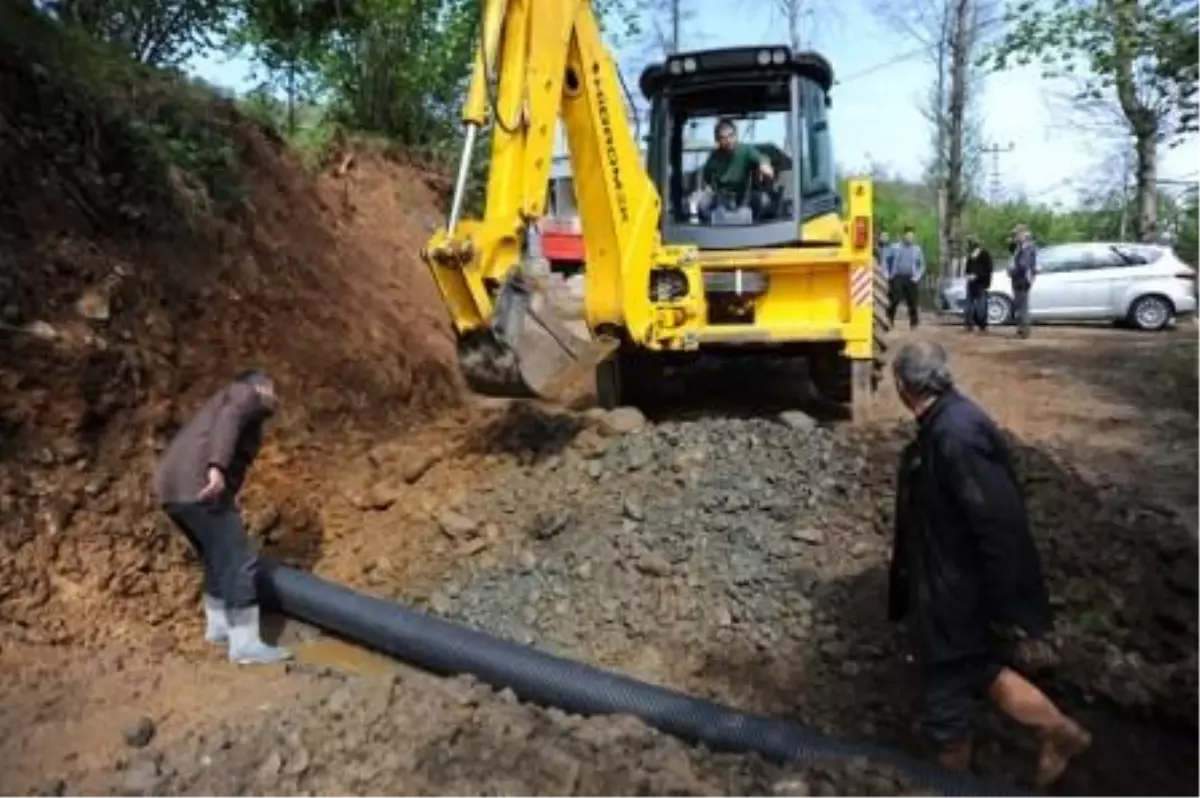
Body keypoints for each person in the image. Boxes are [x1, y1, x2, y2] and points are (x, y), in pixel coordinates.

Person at [888, 341, 1091, 787]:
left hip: (956, 594)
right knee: (977, 668)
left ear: (902, 386)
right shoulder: (947, 424)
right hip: (955, 585)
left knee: (946, 700)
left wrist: (1001, 604)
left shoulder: (955, 436)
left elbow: (998, 524)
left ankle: (954, 786)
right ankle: (1057, 731)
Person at [153, 369, 292, 665]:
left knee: (216, 557)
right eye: (273, 389)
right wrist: (216, 467)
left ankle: (218, 627)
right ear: (262, 386)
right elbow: (230, 420)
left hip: (172, 491)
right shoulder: (245, 394)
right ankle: (245, 644)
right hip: (199, 486)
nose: (275, 397)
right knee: (238, 559)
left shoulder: (215, 407)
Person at [692, 118, 774, 220]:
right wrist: (710, 189)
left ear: (736, 136)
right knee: (703, 205)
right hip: (722, 198)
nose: (728, 141)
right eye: (723, 138)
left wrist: (764, 165)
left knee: (764, 201)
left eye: (731, 136)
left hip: (744, 197)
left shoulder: (745, 150)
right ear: (717, 140)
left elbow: (761, 158)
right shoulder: (714, 157)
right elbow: (707, 177)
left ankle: (756, 226)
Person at [887, 226, 925, 329]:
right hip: (898, 276)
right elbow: (887, 260)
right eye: (908, 236)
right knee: (894, 299)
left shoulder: (917, 249)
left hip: (911, 278)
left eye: (912, 237)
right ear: (904, 236)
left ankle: (914, 323)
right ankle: (889, 319)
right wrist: (888, 273)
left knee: (912, 302)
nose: (910, 238)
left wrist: (917, 276)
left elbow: (922, 265)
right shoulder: (895, 247)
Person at [1008, 224, 1037, 339]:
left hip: (1022, 279)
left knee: (1022, 305)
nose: (1015, 236)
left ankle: (1024, 331)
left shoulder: (1028, 248)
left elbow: (1023, 265)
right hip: (1018, 278)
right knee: (1020, 305)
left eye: (1016, 234)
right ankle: (1021, 329)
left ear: (1024, 234)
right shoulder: (1020, 247)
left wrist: (1012, 270)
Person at [963, 236, 993, 332]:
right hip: (971, 283)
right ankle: (969, 324)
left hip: (981, 283)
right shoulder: (970, 256)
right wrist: (968, 275)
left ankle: (982, 325)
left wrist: (977, 276)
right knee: (968, 306)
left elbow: (988, 270)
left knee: (981, 307)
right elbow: (967, 269)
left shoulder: (985, 255)